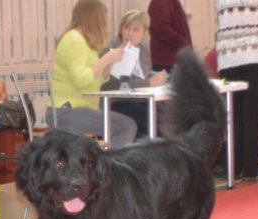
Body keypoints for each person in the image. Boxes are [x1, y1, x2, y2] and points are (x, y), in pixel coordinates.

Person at [49, 0, 137, 147]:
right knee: (126, 126)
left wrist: (110, 63)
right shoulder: (74, 40)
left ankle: (108, 165)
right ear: (94, 18)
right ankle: (112, 168)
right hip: (66, 110)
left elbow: (96, 81)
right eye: (103, 18)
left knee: (127, 124)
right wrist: (105, 59)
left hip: (77, 108)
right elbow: (81, 80)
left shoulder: (85, 42)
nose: (105, 24)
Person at [216, 0, 258, 180]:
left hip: (228, 57)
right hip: (257, 55)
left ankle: (234, 168)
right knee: (253, 115)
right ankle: (251, 171)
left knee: (234, 114)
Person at [100, 10, 168, 138]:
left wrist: (156, 79)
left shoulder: (144, 50)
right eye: (127, 28)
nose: (130, 33)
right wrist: (149, 82)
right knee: (153, 122)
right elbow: (113, 84)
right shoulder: (112, 48)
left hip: (139, 99)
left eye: (136, 30)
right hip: (116, 102)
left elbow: (143, 76)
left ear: (144, 33)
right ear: (121, 29)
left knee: (168, 116)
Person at [147, 0, 192, 72]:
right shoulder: (160, 2)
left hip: (174, 60)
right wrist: (183, 43)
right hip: (167, 62)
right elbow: (162, 29)